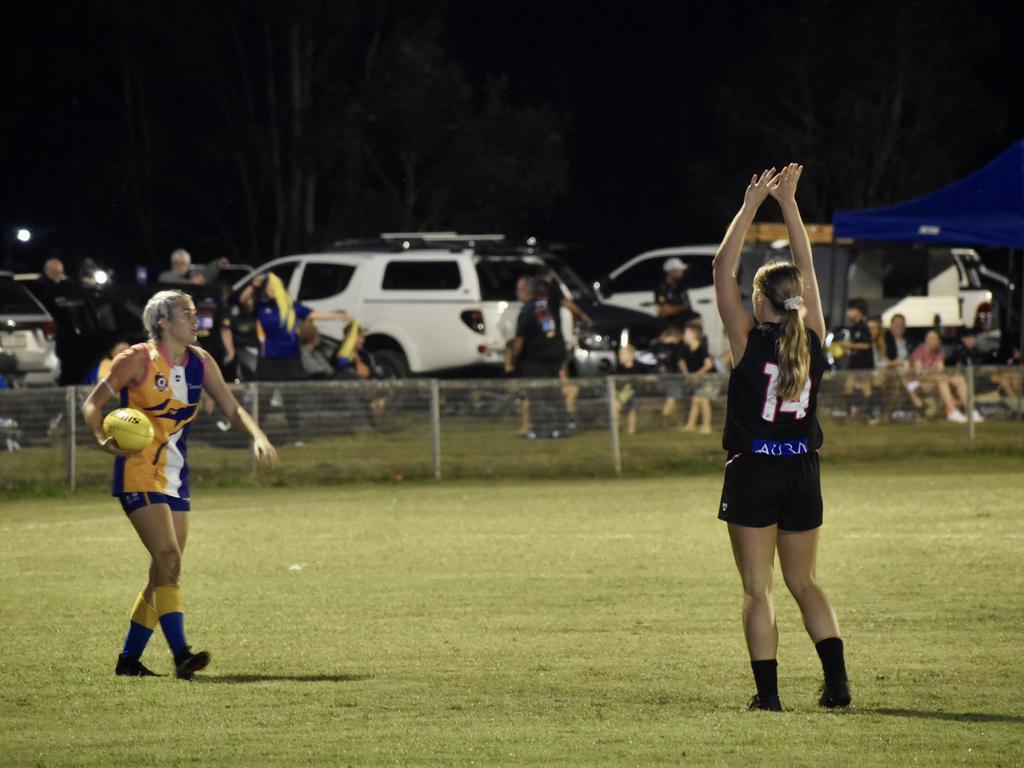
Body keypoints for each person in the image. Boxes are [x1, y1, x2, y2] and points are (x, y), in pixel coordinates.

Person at [80, 290, 277, 678]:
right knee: (168, 559)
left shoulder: (201, 363)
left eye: (194, 312)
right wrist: (101, 439)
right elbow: (92, 403)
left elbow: (231, 406)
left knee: (164, 572)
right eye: (186, 314)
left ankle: (128, 660)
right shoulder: (136, 359)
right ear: (163, 323)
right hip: (137, 472)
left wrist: (258, 435)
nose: (196, 318)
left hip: (175, 477)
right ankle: (181, 654)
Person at [713, 164, 850, 712]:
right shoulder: (812, 335)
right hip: (802, 471)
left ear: (761, 302)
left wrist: (751, 206)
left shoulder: (747, 340)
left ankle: (768, 697)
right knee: (806, 583)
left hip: (754, 471)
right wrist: (790, 205)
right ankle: (836, 685)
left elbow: (721, 268)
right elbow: (808, 270)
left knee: (757, 588)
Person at [239, 272, 349, 444]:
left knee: (291, 400)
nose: (270, 290)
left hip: (290, 359)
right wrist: (254, 284)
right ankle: (254, 437)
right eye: (267, 287)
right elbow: (244, 300)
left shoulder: (292, 307)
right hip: (268, 360)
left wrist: (337, 316)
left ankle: (296, 437)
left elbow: (312, 314)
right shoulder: (261, 306)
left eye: (272, 286)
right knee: (263, 401)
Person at [506, 276, 569, 439]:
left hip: (534, 361)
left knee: (538, 397)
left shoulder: (527, 311)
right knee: (554, 394)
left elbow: (519, 340)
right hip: (553, 358)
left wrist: (512, 358)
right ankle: (560, 428)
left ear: (523, 291)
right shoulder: (546, 306)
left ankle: (541, 429)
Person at [907, 329, 981, 423]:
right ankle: (952, 411)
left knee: (959, 379)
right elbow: (919, 374)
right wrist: (934, 373)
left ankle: (970, 411)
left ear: (938, 341)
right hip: (918, 384)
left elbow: (941, 370)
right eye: (929, 338)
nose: (930, 341)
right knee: (941, 380)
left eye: (934, 339)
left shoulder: (938, 353)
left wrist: (936, 373)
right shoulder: (919, 352)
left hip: (935, 380)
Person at [680, 320, 716, 433]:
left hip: (710, 379)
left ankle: (707, 426)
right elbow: (681, 361)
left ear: (694, 335)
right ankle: (690, 425)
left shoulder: (702, 348)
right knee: (695, 401)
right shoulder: (687, 350)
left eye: (686, 333)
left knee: (704, 401)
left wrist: (697, 375)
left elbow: (709, 365)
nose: (684, 336)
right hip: (700, 380)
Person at [655, 257, 698, 329]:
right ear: (672, 271)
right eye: (680, 270)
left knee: (696, 317)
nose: (682, 273)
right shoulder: (662, 288)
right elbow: (666, 310)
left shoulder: (677, 286)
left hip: (678, 320)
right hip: (668, 323)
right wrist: (684, 307)